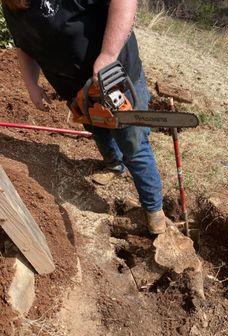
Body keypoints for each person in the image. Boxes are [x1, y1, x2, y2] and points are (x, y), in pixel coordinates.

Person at [2, 0, 166, 234]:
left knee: (134, 145)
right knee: (97, 129)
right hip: (77, 91)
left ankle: (153, 210)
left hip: (115, 77)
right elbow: (24, 46)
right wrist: (32, 85)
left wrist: (109, 55)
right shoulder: (12, 5)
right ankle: (113, 165)